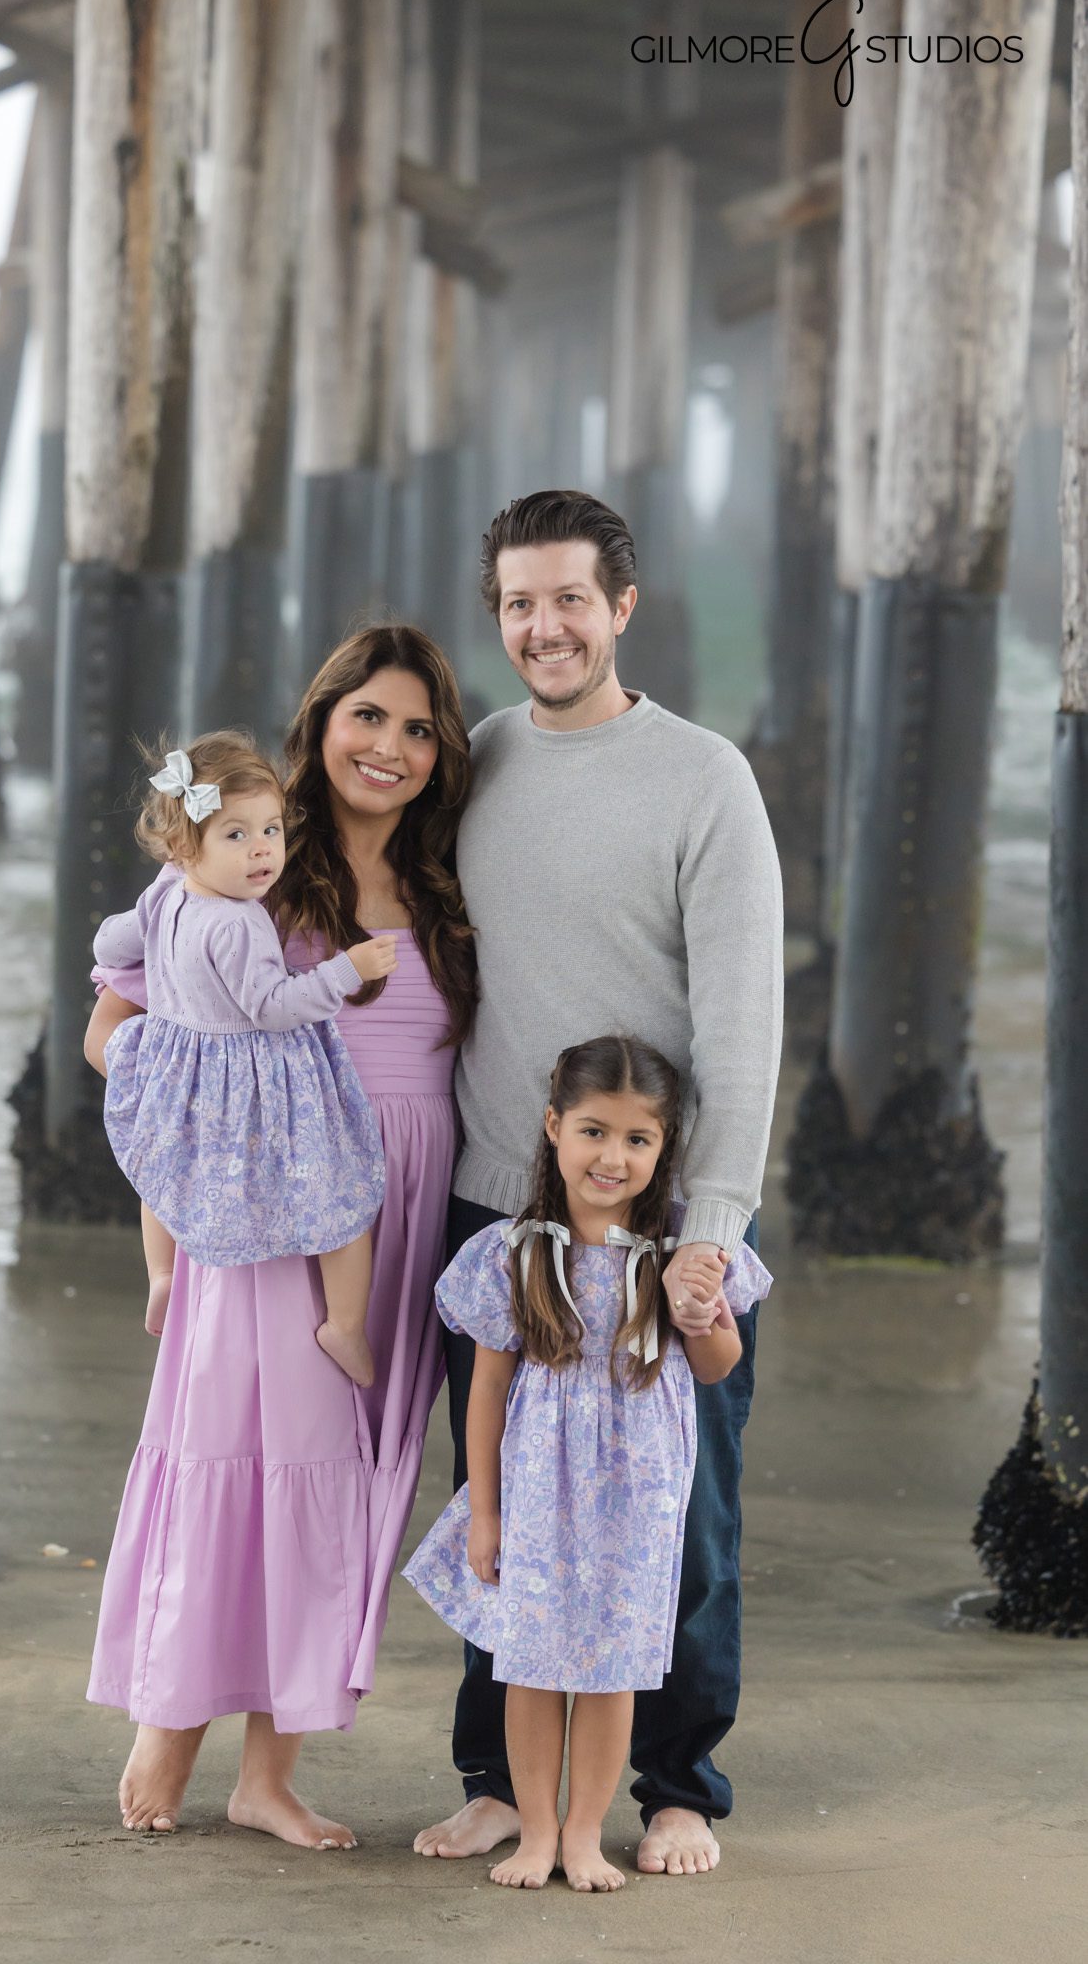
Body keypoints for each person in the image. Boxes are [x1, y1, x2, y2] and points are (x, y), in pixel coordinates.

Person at [415, 489, 783, 1878]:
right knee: (499, 1496)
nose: (543, 624)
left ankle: (675, 1783)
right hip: (499, 1213)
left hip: (658, 1224)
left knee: (681, 1516)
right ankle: (497, 1782)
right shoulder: (482, 761)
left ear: (622, 608)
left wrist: (712, 1232)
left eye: (570, 598)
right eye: (518, 601)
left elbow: (744, 1023)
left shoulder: (703, 779)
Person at [84, 625, 476, 1848]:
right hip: (272, 1199)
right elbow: (116, 1034)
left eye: (418, 728)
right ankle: (173, 1716)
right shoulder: (251, 863)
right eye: (369, 716)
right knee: (232, 1452)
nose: (391, 746)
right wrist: (232, 1126)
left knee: (346, 1485)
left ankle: (270, 1771)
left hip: (405, 1200)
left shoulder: (452, 879)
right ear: (323, 721)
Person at [406, 1037, 771, 1893]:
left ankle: (582, 1837)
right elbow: (484, 1394)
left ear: (664, 1148)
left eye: (637, 1140)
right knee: (530, 1664)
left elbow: (716, 1367)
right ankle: (533, 1832)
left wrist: (699, 1309)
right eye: (593, 1132)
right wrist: (485, 1513)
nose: (613, 1157)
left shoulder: (678, 1250)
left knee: (614, 1671)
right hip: (538, 1488)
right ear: (552, 1129)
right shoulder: (514, 1251)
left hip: (639, 1498)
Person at [95, 729, 394, 1387]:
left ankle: (163, 1275)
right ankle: (343, 1323)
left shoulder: (169, 891)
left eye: (271, 830)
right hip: (243, 1075)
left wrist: (118, 955)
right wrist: (347, 969)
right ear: (185, 844)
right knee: (342, 1193)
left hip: (177, 1067)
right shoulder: (236, 921)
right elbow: (273, 1006)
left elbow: (117, 939)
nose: (262, 849)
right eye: (235, 834)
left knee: (162, 1168)